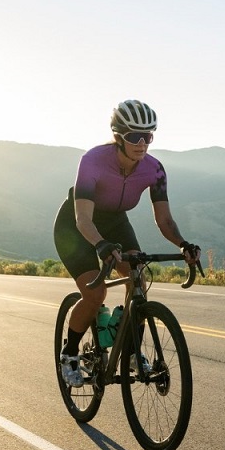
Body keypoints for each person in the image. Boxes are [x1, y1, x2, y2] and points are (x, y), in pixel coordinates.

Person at [54, 99, 201, 385]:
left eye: (148, 136)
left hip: (117, 223)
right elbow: (83, 219)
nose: (143, 143)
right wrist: (101, 245)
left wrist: (183, 244)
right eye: (135, 136)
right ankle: (69, 354)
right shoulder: (93, 160)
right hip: (76, 228)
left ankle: (131, 349)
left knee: (137, 279)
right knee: (95, 295)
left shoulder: (155, 169)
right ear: (118, 136)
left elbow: (165, 220)